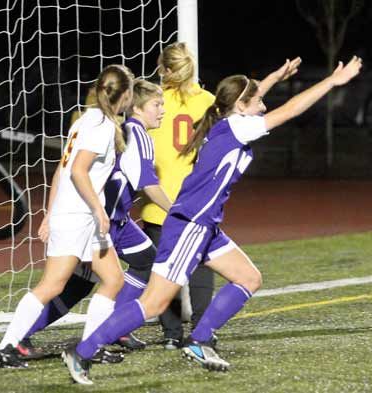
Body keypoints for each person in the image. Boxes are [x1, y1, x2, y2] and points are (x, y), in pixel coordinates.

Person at [64, 55, 362, 384]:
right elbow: (289, 110)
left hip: (206, 226)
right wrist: (332, 82)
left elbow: (247, 96)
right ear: (242, 105)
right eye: (259, 101)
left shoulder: (227, 121)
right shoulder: (238, 126)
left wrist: (275, 76)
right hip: (191, 224)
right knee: (154, 303)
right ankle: (84, 351)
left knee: (248, 278)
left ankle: (200, 340)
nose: (263, 106)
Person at [0, 64, 134, 370]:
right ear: (126, 94)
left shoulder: (88, 119)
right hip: (79, 215)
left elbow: (62, 170)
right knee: (52, 285)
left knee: (113, 278)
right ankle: (5, 347)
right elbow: (78, 171)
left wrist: (49, 214)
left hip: (77, 215)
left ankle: (91, 346)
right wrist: (96, 209)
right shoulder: (101, 126)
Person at [17, 79, 171, 363]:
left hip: (115, 219)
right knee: (75, 283)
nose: (162, 110)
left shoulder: (114, 128)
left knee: (141, 262)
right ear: (136, 106)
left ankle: (114, 330)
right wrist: (178, 213)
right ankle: (25, 336)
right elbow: (147, 183)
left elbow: (65, 170)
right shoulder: (136, 134)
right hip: (104, 220)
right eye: (157, 104)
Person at [140, 42, 217, 350]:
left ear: (167, 71)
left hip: (159, 203)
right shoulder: (208, 101)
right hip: (196, 202)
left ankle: (172, 334)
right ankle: (202, 331)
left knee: (163, 271)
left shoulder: (153, 102)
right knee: (200, 266)